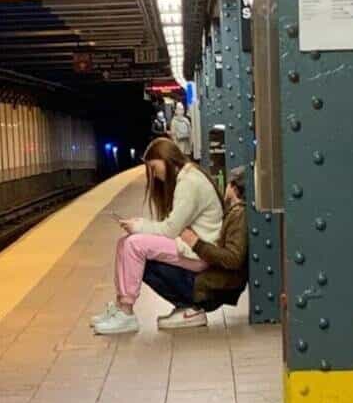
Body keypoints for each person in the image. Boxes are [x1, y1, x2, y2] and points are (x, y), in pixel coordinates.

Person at [91, 137, 224, 335]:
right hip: (190, 247)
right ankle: (120, 306)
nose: (154, 174)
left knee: (133, 245)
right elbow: (172, 227)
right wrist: (140, 226)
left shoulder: (189, 182)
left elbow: (170, 230)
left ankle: (126, 312)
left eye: (154, 167)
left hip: (198, 251)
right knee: (124, 243)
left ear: (166, 159)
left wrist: (140, 226)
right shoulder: (187, 178)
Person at [143, 165, 248, 329]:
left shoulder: (238, 215)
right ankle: (187, 308)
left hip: (210, 288)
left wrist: (196, 243)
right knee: (152, 259)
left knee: (146, 263)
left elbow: (233, 258)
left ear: (233, 188)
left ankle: (190, 309)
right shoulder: (235, 213)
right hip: (213, 282)